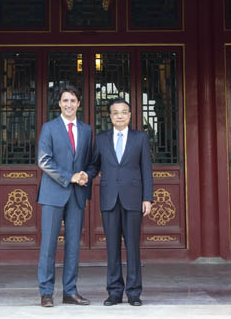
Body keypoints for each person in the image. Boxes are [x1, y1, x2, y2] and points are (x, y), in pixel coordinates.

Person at [85, 98, 153, 307]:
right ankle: (114, 292)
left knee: (133, 247)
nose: (120, 116)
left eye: (124, 112)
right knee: (112, 248)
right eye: (116, 113)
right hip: (109, 199)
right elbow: (94, 165)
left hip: (133, 198)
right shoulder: (103, 139)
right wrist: (85, 175)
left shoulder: (140, 138)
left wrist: (147, 198)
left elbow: (146, 170)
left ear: (130, 115)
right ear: (110, 116)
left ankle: (134, 293)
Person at [37, 86, 91, 308]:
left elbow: (89, 160)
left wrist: (86, 174)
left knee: (73, 246)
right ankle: (46, 292)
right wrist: (71, 177)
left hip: (77, 196)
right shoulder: (49, 128)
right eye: (65, 100)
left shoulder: (87, 130)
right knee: (48, 246)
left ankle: (70, 291)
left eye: (73, 100)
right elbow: (44, 161)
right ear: (59, 103)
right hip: (53, 194)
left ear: (79, 104)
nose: (69, 104)